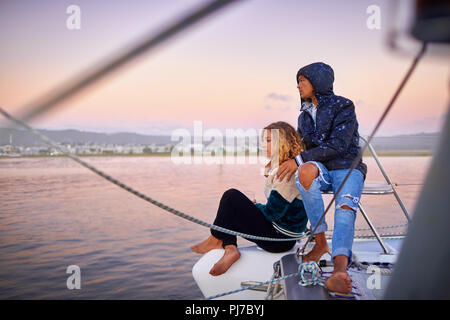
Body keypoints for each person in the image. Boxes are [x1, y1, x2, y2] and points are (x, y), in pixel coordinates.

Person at [277, 62, 367, 294]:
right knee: (304, 170)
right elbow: (302, 150)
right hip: (322, 170)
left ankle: (339, 271)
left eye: (302, 81)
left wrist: (298, 159)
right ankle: (320, 243)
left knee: (345, 208)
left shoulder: (343, 106)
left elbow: (339, 145)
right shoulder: (304, 117)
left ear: (317, 82)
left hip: (348, 166)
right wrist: (284, 159)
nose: (298, 86)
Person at [191, 121, 308, 276]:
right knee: (231, 214)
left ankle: (216, 239)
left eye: (268, 140)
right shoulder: (281, 167)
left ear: (282, 142)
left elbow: (272, 213)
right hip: (280, 236)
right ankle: (230, 249)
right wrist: (252, 208)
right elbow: (277, 210)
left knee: (231, 196)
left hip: (280, 240)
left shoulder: (287, 172)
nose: (263, 145)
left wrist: (254, 207)